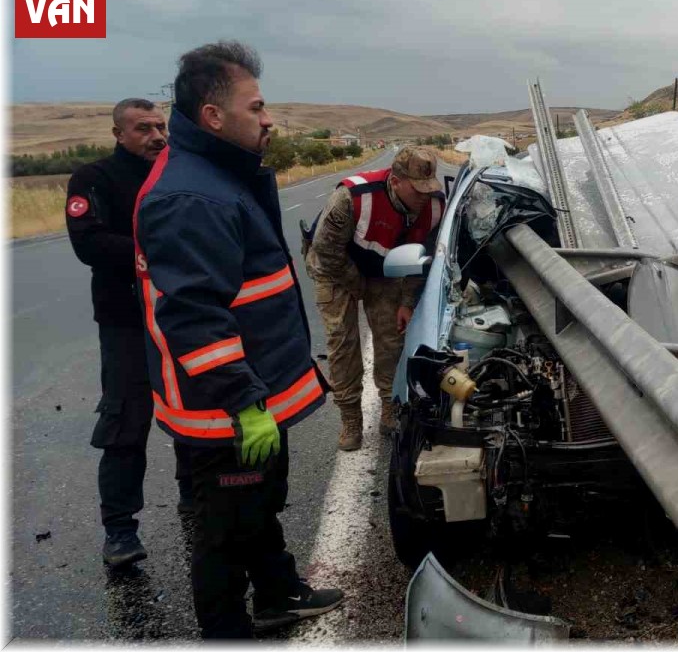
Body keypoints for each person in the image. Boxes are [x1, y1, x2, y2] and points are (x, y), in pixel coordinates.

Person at [134, 41, 342, 638]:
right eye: (256, 106)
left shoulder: (220, 176)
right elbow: (195, 317)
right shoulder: (191, 195)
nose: (268, 117)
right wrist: (244, 400)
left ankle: (277, 593)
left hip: (250, 392)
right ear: (213, 116)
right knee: (223, 531)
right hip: (226, 408)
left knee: (255, 507)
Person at [65, 98, 194, 568]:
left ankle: (193, 497)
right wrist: (155, 254)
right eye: (143, 128)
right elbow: (89, 243)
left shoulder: (177, 173)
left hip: (179, 315)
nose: (156, 136)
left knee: (191, 411)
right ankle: (119, 530)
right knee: (126, 423)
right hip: (126, 322)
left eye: (160, 126)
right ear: (119, 133)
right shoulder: (94, 179)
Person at [302, 147, 442, 451]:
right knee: (343, 344)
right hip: (335, 268)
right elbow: (326, 252)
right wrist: (359, 287)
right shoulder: (351, 198)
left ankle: (390, 409)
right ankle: (350, 418)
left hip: (384, 269)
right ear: (395, 181)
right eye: (417, 190)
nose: (424, 197)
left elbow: (419, 261)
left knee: (392, 339)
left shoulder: (433, 208)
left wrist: (406, 302)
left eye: (429, 189)